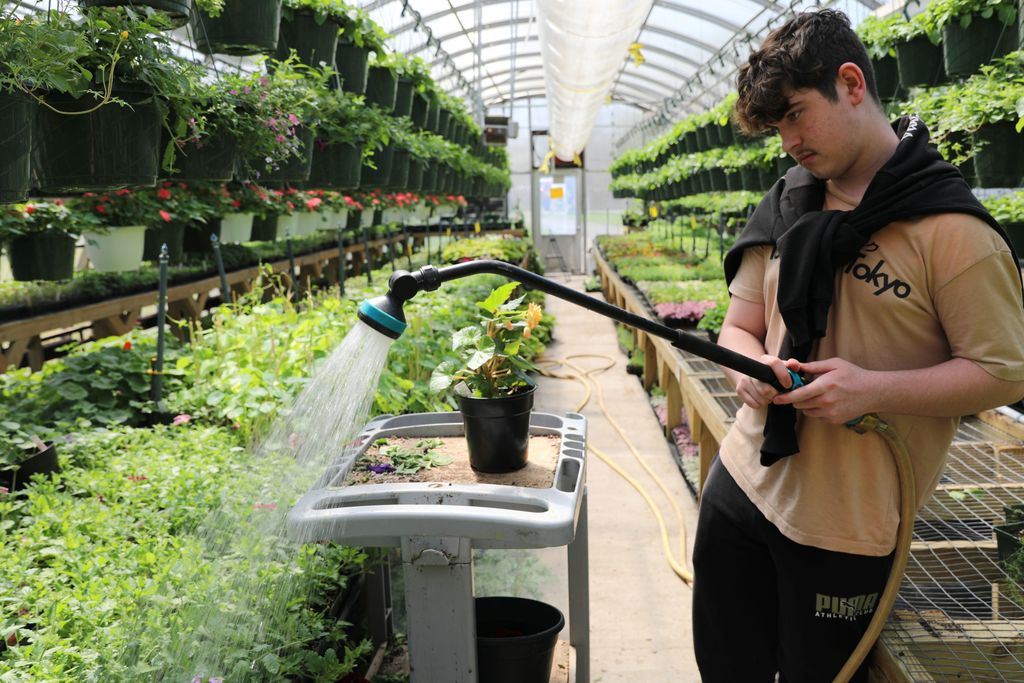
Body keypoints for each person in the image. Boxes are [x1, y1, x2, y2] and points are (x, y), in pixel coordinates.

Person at [691, 9, 1024, 682]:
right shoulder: (791, 199)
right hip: (742, 485)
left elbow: (1003, 372)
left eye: (794, 116)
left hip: (845, 529)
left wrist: (871, 390)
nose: (787, 142)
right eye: (776, 127)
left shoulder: (952, 230)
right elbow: (740, 324)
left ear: (850, 83)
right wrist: (748, 366)